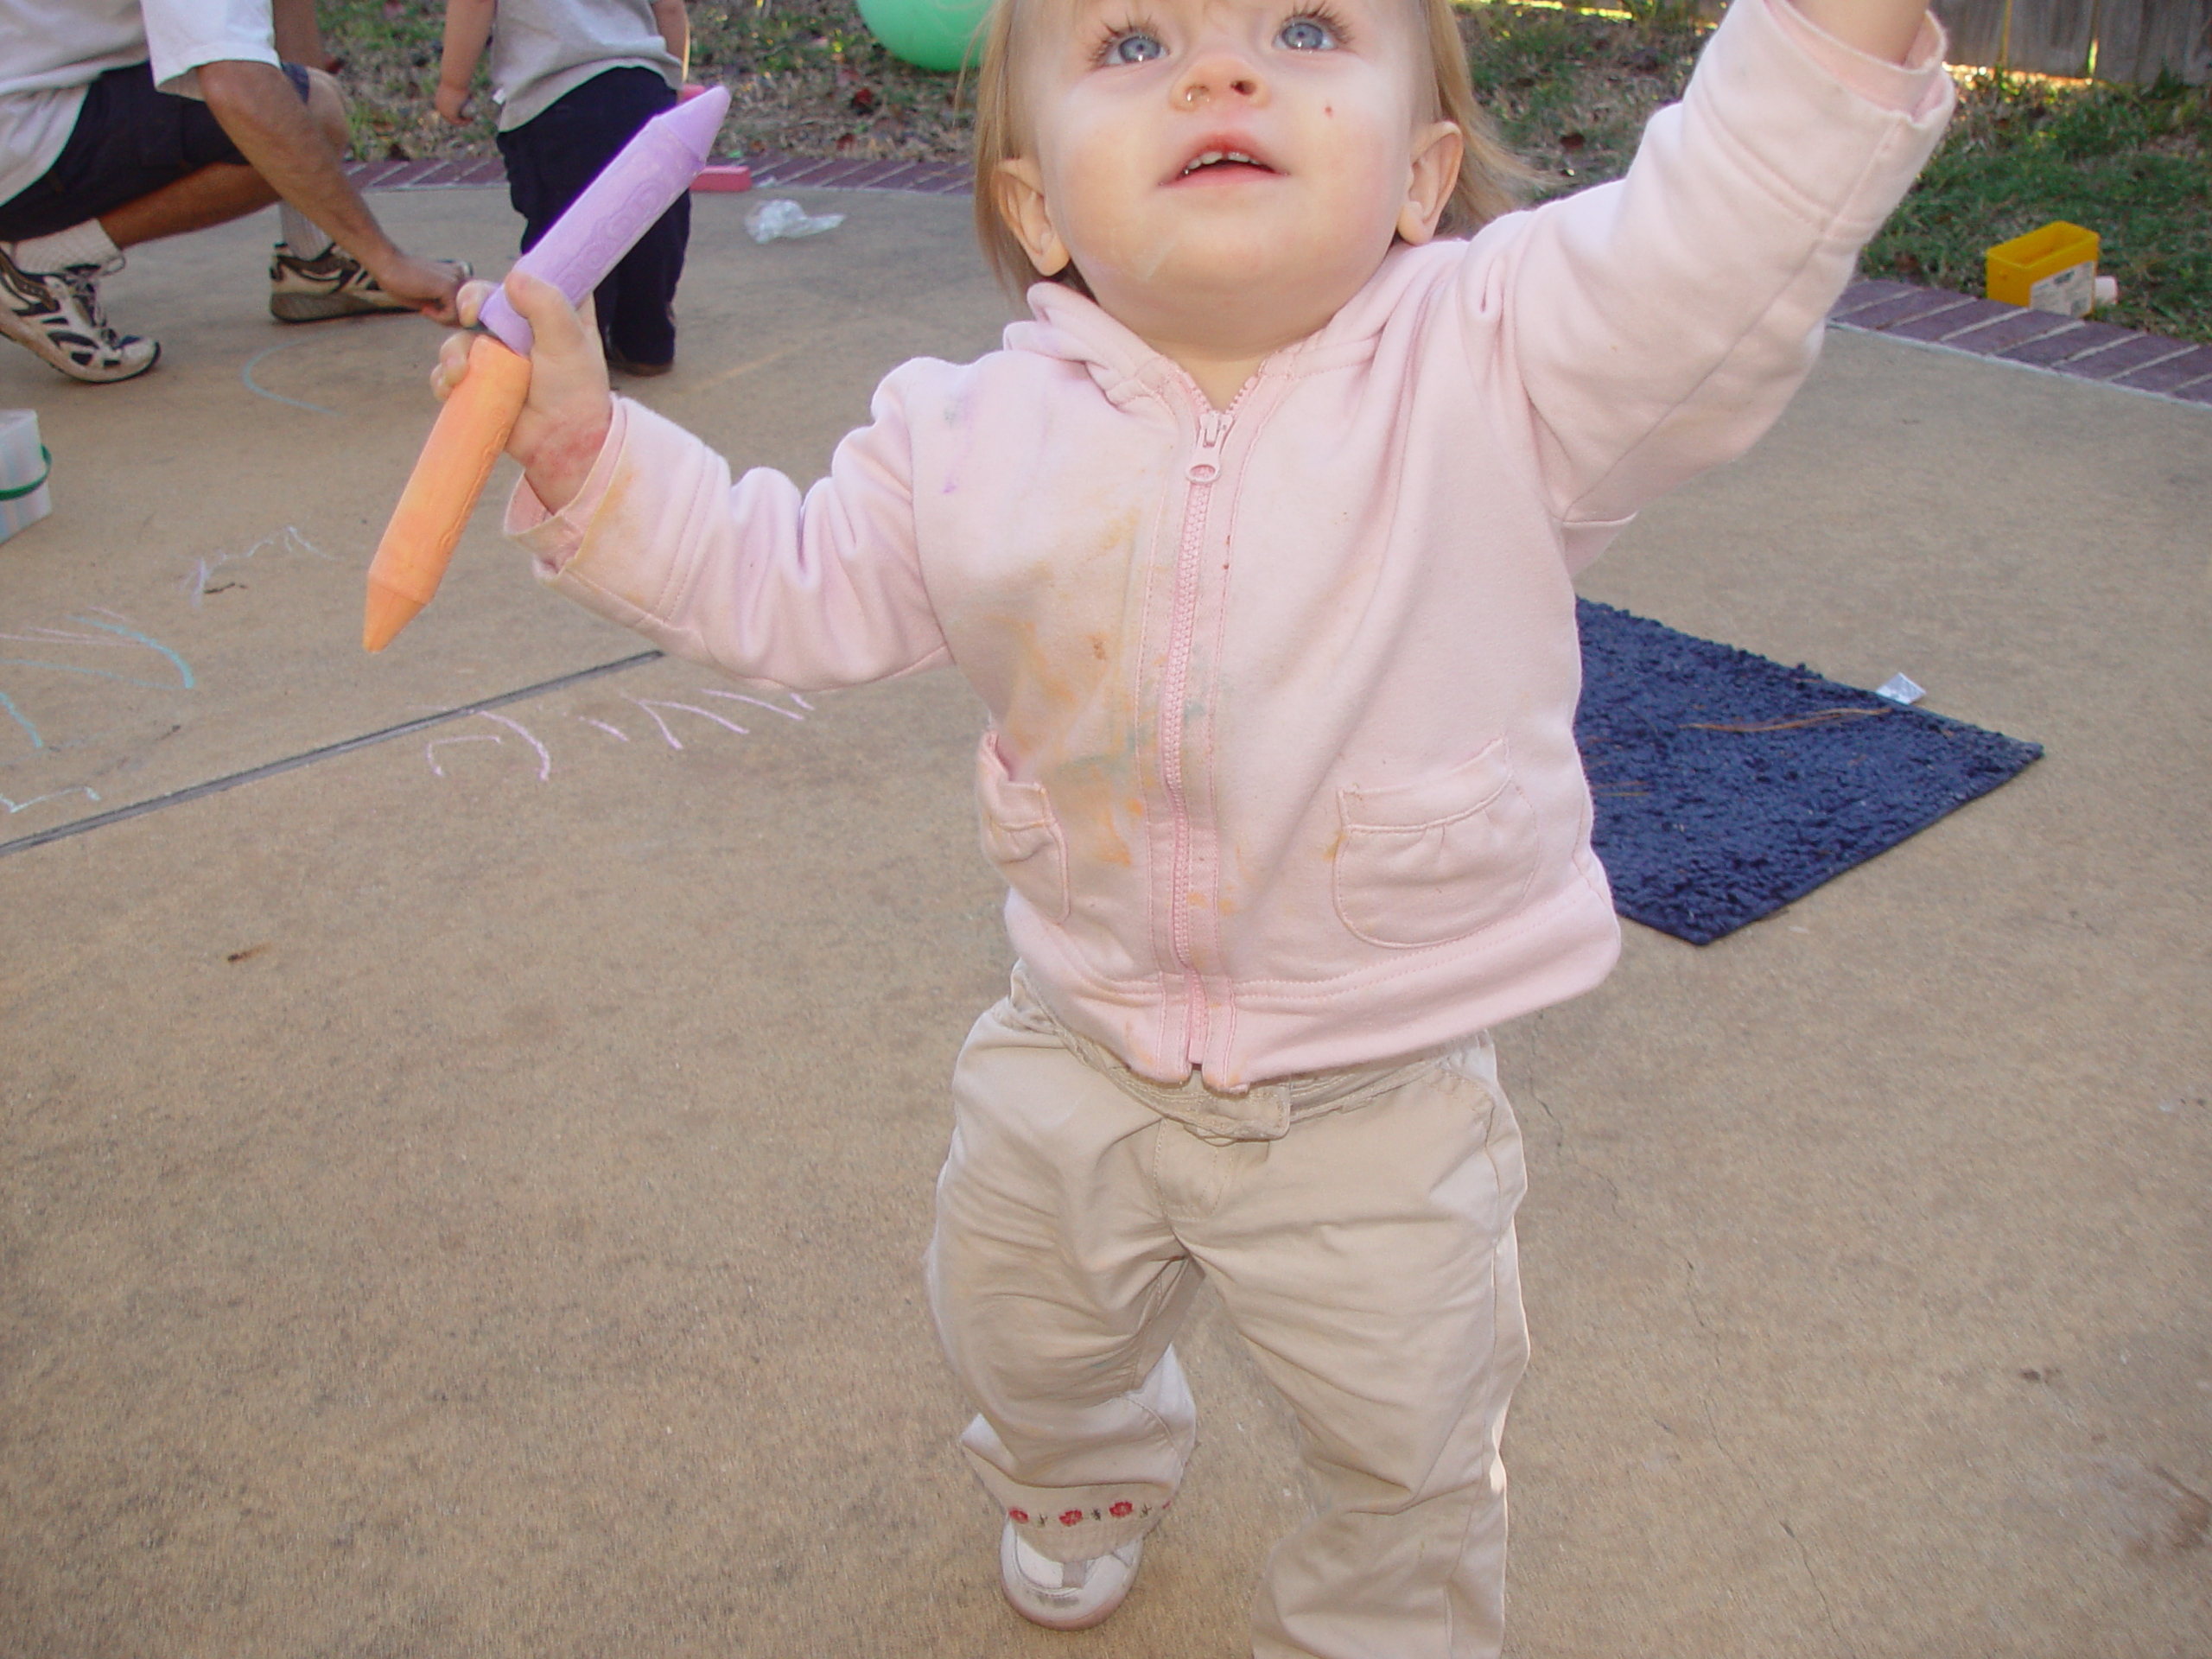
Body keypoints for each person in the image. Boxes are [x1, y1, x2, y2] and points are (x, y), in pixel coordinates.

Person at [435, 0, 1951, 1649]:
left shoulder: (1507, 368)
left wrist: (1835, 33)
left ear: (1421, 172)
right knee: (1018, 1331)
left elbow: (1713, 242)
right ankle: (1082, 1471)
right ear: (1035, 207)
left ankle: (1385, 1625)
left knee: (1410, 1442)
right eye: (1134, 43)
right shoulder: (964, 435)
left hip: (1380, 1092)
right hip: (1072, 1035)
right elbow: (780, 580)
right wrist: (587, 454)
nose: (1224, 71)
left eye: (1307, 28)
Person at [0, 0, 466, 384]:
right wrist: (386, 260)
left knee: (292, 96)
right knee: (311, 114)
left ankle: (318, 259)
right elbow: (237, 85)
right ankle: (41, 266)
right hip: (21, 142)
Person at [435, 0, 692, 376]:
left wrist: (452, 83)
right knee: (653, 220)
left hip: (554, 99)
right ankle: (646, 341)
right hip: (642, 87)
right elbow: (668, 7)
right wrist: (672, 86)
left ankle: (565, 351)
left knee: (567, 234)